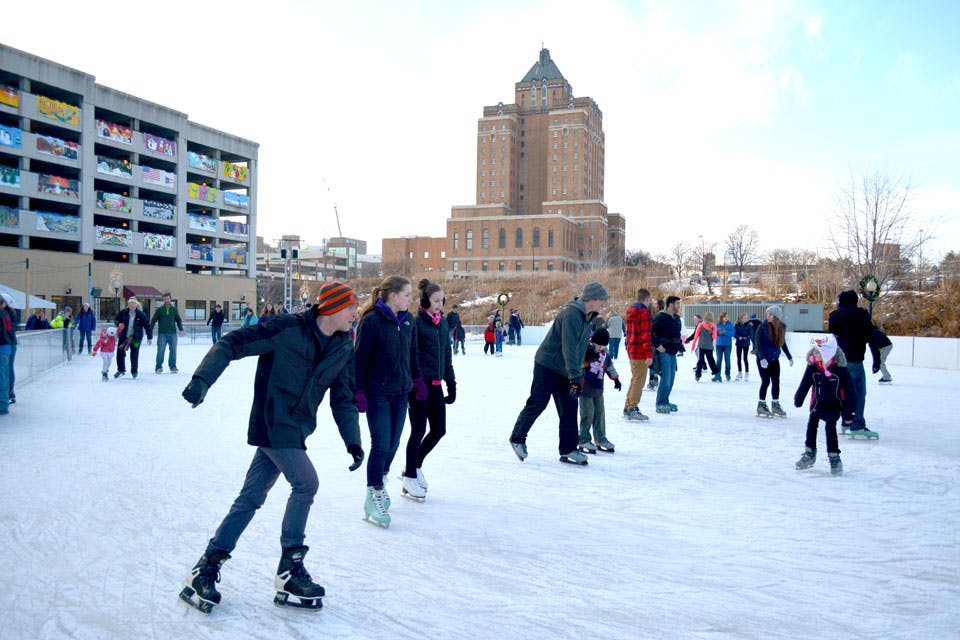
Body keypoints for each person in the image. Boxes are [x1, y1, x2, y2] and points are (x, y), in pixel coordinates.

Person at [178, 280, 364, 614]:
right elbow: (233, 343)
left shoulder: (342, 346)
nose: (355, 312)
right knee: (306, 483)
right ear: (334, 307)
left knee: (249, 499)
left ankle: (205, 567)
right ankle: (289, 568)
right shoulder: (287, 329)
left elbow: (344, 397)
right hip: (271, 422)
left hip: (297, 429)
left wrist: (353, 440)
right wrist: (202, 380)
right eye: (351, 306)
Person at [509, 281, 609, 466]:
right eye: (602, 300)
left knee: (569, 408)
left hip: (565, 369)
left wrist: (590, 350)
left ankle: (569, 449)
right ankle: (517, 438)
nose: (604, 304)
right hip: (547, 364)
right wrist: (575, 377)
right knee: (538, 402)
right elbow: (568, 346)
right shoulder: (572, 314)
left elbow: (577, 344)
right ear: (593, 299)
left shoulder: (587, 316)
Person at [353, 275, 424, 528]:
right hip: (377, 393)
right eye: (407, 295)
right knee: (381, 444)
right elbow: (359, 358)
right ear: (393, 295)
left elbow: (412, 353)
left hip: (401, 392)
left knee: (393, 444)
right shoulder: (371, 321)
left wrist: (417, 380)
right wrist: (359, 390)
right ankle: (374, 493)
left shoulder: (409, 321)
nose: (410, 299)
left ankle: (379, 485)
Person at [401, 279, 456, 501]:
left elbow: (447, 355)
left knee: (439, 430)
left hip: (435, 386)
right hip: (419, 386)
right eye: (435, 301)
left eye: (442, 300)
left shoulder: (442, 324)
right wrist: (415, 382)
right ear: (425, 301)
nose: (439, 305)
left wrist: (451, 383)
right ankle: (409, 476)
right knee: (417, 430)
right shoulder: (416, 323)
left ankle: (414, 467)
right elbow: (410, 355)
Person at [793, 335, 855, 476]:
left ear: (827, 353)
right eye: (814, 351)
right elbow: (805, 382)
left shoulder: (840, 369)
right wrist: (799, 398)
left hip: (834, 405)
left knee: (830, 427)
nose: (814, 354)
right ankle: (810, 453)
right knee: (812, 423)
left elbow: (851, 392)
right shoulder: (814, 366)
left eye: (817, 352)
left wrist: (848, 413)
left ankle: (834, 456)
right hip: (818, 402)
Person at [828, 290, 880, 438]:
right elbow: (871, 337)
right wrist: (877, 359)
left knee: (843, 392)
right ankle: (856, 424)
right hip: (855, 361)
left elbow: (832, 336)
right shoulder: (861, 315)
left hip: (838, 361)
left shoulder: (835, 316)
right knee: (859, 393)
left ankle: (846, 420)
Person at [578, 327, 621, 454]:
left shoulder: (604, 353)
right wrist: (586, 360)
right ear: (593, 341)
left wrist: (616, 379)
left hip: (598, 388)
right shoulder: (585, 349)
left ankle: (600, 438)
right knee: (587, 414)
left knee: (599, 414)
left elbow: (609, 366)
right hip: (585, 388)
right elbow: (577, 365)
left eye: (603, 346)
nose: (601, 348)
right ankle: (583, 439)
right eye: (599, 345)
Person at [755, 305, 793, 418]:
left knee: (776, 381)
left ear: (776, 316)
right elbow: (758, 343)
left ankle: (775, 404)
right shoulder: (762, 327)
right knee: (766, 381)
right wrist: (761, 358)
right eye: (767, 314)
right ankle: (761, 405)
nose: (768, 316)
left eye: (770, 314)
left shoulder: (781, 327)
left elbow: (782, 342)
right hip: (764, 359)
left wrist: (789, 356)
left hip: (774, 359)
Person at [623, 288, 653, 422]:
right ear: (646, 299)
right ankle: (632, 408)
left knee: (635, 379)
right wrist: (649, 354)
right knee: (639, 380)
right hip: (640, 351)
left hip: (632, 349)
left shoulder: (630, 310)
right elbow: (645, 335)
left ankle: (628, 406)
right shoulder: (644, 313)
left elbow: (628, 332)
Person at [651, 296, 683, 414]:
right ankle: (660, 403)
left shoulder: (676, 318)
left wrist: (679, 345)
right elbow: (650, 331)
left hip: (673, 351)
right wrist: (657, 345)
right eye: (677, 304)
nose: (678, 306)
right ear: (670, 304)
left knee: (671, 378)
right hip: (663, 351)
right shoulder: (660, 317)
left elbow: (677, 334)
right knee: (666, 378)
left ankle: (666, 400)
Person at [114, 297, 152, 379]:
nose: (132, 306)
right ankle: (121, 370)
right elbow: (116, 319)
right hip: (124, 337)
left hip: (135, 338)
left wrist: (149, 337)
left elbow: (147, 326)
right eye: (130, 304)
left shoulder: (141, 314)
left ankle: (134, 371)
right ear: (128, 305)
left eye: (134, 304)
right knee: (120, 354)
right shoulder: (123, 313)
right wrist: (118, 324)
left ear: (136, 305)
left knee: (134, 354)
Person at [150, 292, 185, 374]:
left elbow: (178, 320)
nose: (166, 300)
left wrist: (181, 329)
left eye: (168, 298)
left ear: (170, 299)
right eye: (165, 299)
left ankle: (173, 366)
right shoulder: (159, 310)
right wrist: (150, 330)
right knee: (160, 350)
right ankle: (158, 367)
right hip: (162, 334)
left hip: (173, 333)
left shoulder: (174, 309)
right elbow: (153, 320)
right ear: (163, 300)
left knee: (173, 350)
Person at [690, 312, 721, 382]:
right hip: (709, 346)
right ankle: (716, 373)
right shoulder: (713, 326)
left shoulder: (700, 325)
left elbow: (695, 337)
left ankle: (698, 375)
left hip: (701, 346)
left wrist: (693, 347)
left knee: (700, 360)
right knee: (711, 360)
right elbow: (714, 337)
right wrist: (713, 331)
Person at [0, 293, 16, 415]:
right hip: (7, 346)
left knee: (3, 375)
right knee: (4, 374)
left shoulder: (4, 314)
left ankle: (3, 403)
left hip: (4, 346)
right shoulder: (6, 314)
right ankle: (5, 401)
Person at [647, 298, 664, 391]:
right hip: (657, 341)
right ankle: (655, 379)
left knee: (653, 361)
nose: (655, 305)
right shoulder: (657, 315)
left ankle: (653, 380)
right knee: (656, 361)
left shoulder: (656, 316)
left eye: (656, 303)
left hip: (655, 342)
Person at [715, 312, 734, 381]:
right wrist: (718, 332)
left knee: (727, 360)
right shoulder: (717, 324)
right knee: (718, 360)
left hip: (727, 345)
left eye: (727, 317)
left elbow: (732, 333)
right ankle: (717, 374)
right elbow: (714, 333)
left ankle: (728, 374)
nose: (727, 318)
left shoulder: (730, 324)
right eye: (725, 317)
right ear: (721, 318)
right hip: (719, 345)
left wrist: (725, 332)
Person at [734, 313, 753, 381]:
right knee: (738, 359)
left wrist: (746, 338)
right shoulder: (736, 325)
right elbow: (734, 333)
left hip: (746, 344)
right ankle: (740, 372)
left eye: (746, 318)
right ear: (741, 319)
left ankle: (747, 373)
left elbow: (751, 334)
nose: (746, 319)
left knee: (745, 358)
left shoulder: (749, 325)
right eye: (745, 318)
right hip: (739, 343)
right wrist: (738, 337)